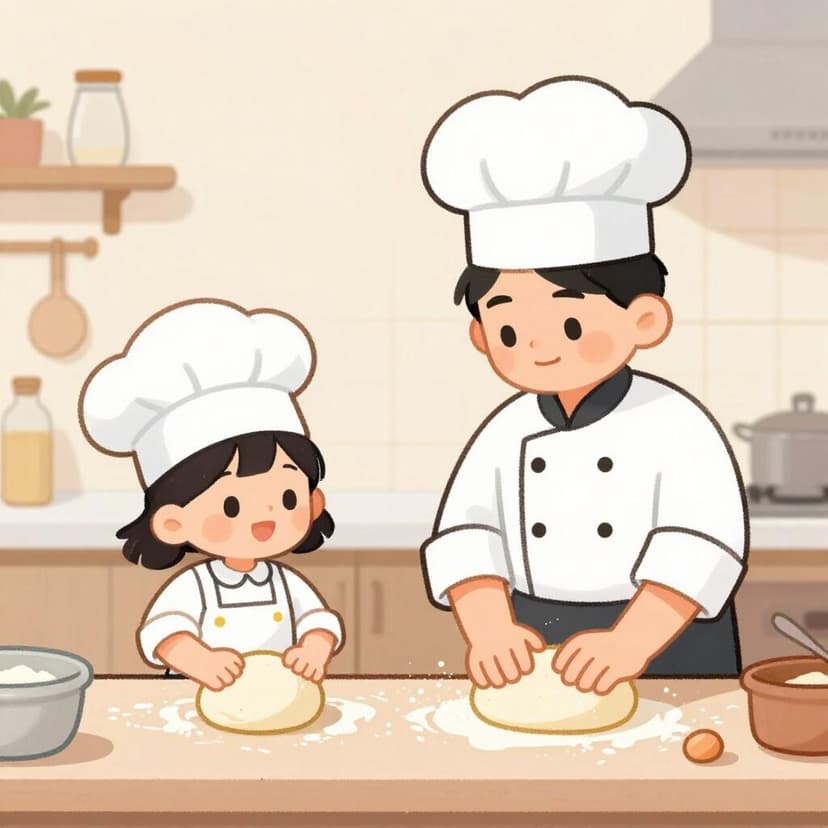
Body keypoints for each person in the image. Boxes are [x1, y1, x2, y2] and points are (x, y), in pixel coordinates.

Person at [419, 76, 748, 695]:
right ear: (482, 338)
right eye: (510, 328)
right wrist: (489, 629)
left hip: (667, 643)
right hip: (534, 638)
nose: (539, 347)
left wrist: (629, 643)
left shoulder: (675, 423)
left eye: (570, 320)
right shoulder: (505, 429)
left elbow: (698, 545)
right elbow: (467, 537)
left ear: (645, 319)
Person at [79, 299, 343, 690]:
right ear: (172, 522)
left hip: (282, 702)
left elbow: (319, 622)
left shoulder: (285, 583)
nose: (264, 518)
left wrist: (315, 648)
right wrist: (198, 660)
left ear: (313, 502)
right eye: (231, 506)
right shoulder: (197, 587)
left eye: (289, 499)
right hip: (195, 708)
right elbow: (163, 635)